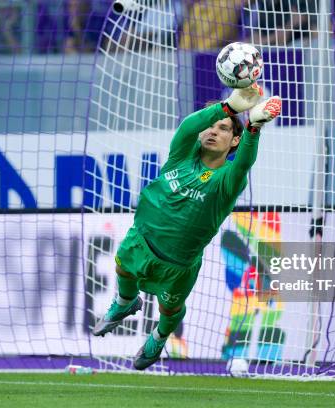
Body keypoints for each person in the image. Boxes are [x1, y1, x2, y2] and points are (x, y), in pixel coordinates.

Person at [93, 83, 282, 370]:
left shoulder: (227, 180)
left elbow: (244, 163)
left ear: (234, 141)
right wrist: (227, 107)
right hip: (140, 239)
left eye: (223, 129)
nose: (212, 131)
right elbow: (187, 127)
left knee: (170, 310)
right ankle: (124, 301)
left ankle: (158, 337)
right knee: (122, 268)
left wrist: (253, 128)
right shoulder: (181, 155)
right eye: (211, 126)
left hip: (179, 263)